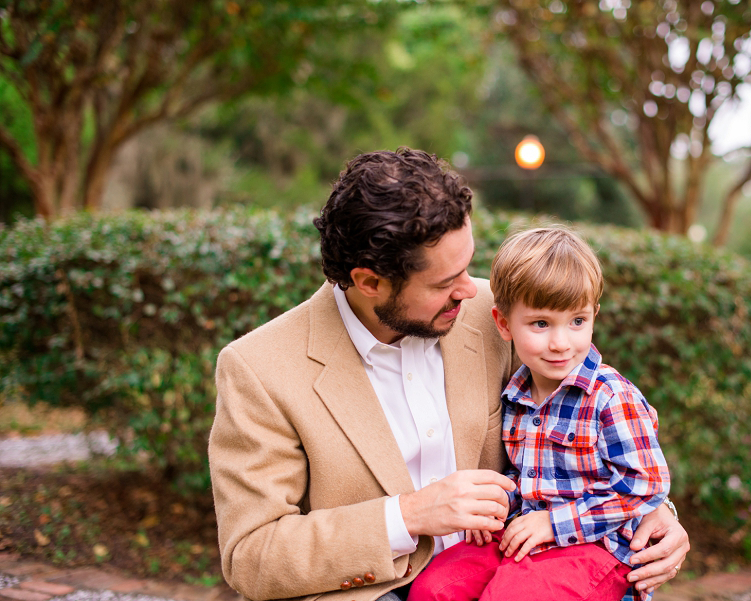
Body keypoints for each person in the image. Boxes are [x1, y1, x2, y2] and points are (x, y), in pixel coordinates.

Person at [208, 148, 689, 601]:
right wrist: (409, 514)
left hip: (523, 567)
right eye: (444, 282)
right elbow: (252, 555)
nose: (469, 289)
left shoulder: (494, 313)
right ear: (370, 282)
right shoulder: (259, 368)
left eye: (467, 265)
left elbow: (588, 415)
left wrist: (658, 514)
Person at [408, 227, 670, 601]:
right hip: (523, 532)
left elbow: (646, 485)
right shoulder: (516, 393)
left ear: (594, 315)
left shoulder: (610, 397)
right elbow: (527, 473)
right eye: (541, 324)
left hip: (596, 548)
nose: (561, 342)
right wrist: (497, 509)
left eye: (577, 321)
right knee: (434, 590)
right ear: (503, 324)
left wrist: (553, 523)